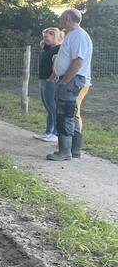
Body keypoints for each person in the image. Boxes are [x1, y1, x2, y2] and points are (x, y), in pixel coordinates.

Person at [47, 9, 93, 162]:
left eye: (61, 19)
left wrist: (65, 80)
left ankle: (65, 151)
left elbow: (78, 62)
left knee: (64, 114)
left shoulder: (79, 36)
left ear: (67, 19)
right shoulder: (72, 35)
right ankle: (74, 150)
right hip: (71, 79)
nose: (59, 21)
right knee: (70, 114)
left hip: (72, 80)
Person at [34, 27, 62, 143]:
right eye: (44, 37)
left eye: (47, 37)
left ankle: (56, 133)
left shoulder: (59, 49)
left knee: (52, 107)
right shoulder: (46, 49)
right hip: (43, 79)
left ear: (54, 35)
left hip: (51, 80)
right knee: (48, 108)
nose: (45, 39)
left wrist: (51, 78)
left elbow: (58, 65)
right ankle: (48, 132)